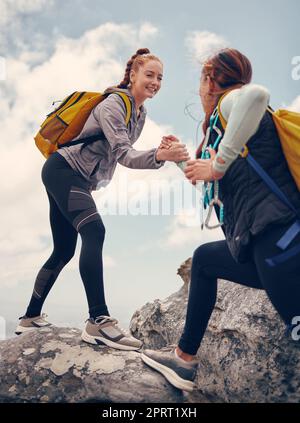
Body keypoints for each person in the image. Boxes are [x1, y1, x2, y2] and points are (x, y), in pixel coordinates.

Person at [141, 48, 300, 391]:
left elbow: (257, 94)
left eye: (201, 80)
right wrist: (180, 160)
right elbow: (213, 180)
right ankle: (184, 359)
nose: (199, 90)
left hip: (281, 239)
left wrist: (216, 165)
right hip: (261, 248)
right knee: (205, 260)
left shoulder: (232, 101)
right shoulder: (224, 129)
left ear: (211, 80)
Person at [16, 48, 190, 351]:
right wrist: (161, 155)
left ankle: (29, 318)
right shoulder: (114, 104)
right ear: (133, 75)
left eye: (160, 77)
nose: (155, 82)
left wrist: (158, 151)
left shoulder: (140, 112)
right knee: (94, 231)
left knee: (63, 249)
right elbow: (124, 155)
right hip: (64, 171)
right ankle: (98, 320)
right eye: (149, 74)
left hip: (71, 176)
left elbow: (119, 150)